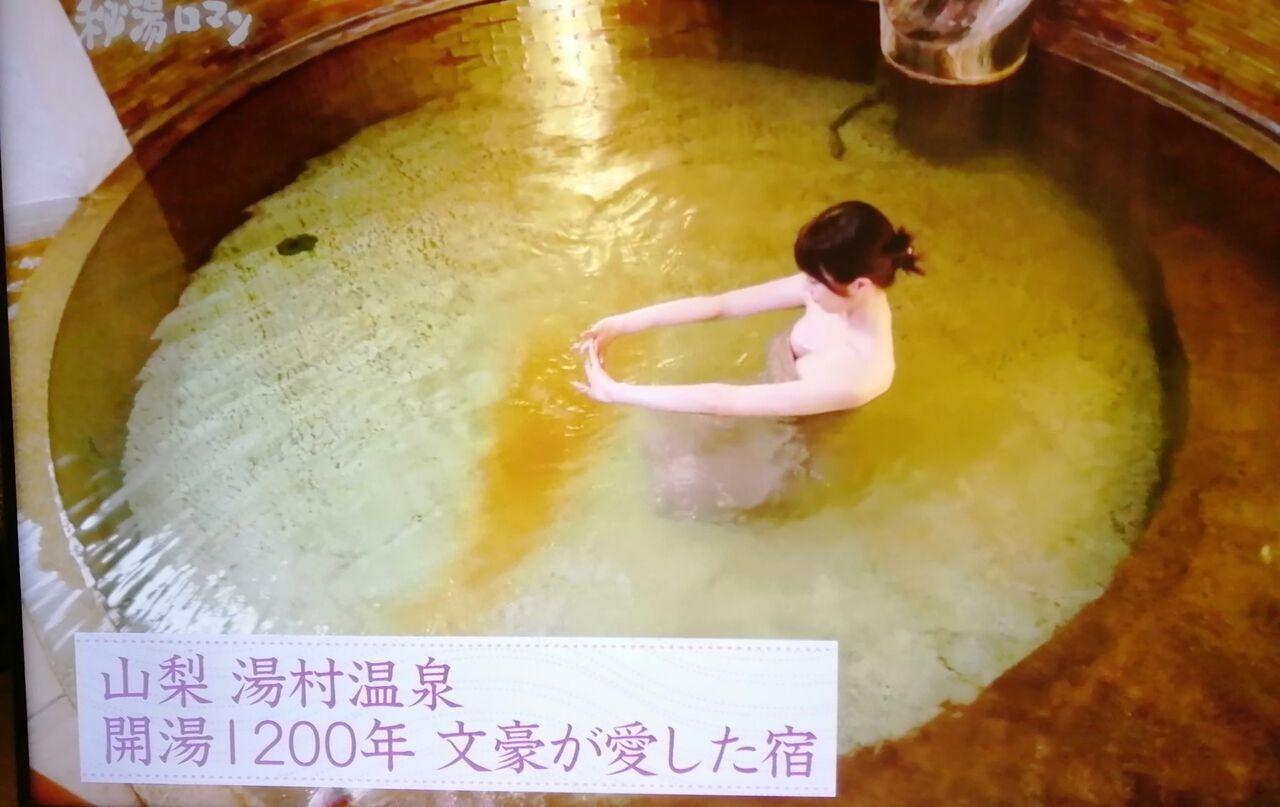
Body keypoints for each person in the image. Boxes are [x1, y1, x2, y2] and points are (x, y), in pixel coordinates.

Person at [573, 200, 923, 518]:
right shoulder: (831, 288)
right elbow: (722, 305)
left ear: (860, 285)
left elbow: (723, 401)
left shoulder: (863, 372)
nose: (807, 288)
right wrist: (622, 324)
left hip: (783, 442)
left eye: (816, 282)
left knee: (680, 491)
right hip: (757, 399)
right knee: (657, 445)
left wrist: (616, 392)